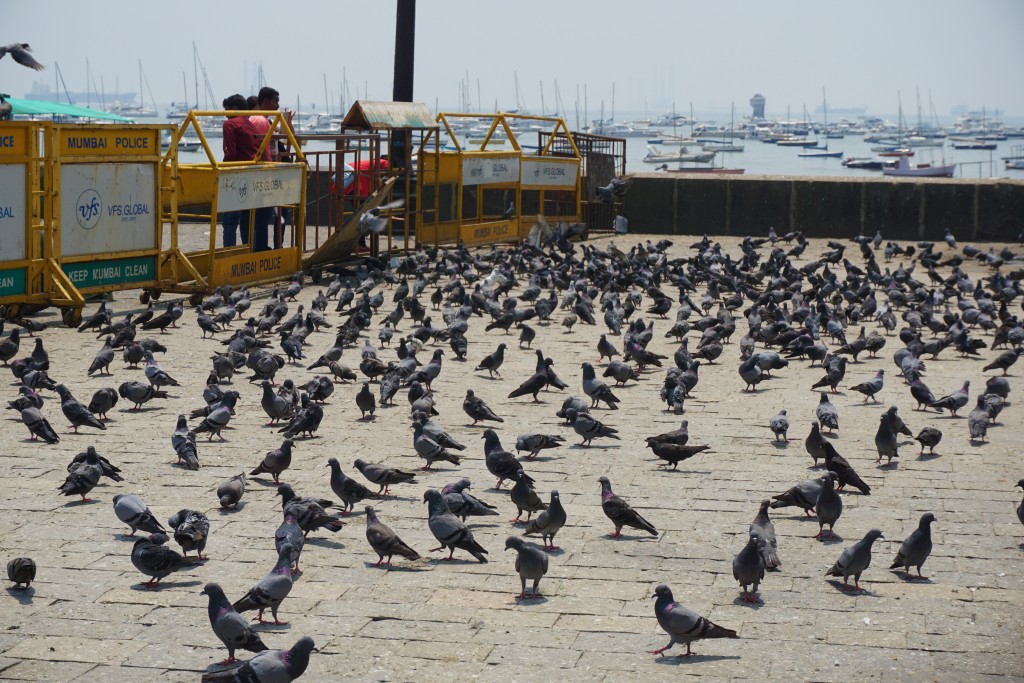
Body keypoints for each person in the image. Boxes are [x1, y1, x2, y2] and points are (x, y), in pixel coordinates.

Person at [249, 87, 291, 250]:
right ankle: (262, 248)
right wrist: (269, 170)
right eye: (275, 101)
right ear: (265, 101)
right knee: (264, 214)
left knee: (266, 214)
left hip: (266, 171)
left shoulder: (262, 119)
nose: (277, 105)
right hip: (267, 172)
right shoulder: (260, 120)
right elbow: (263, 147)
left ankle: (264, 247)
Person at [220, 94, 261, 248]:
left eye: (227, 110)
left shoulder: (230, 124)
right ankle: (250, 252)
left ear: (234, 109)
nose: (225, 113)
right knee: (248, 219)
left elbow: (229, 153)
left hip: (236, 174)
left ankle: (229, 253)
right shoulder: (250, 124)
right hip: (252, 173)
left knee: (230, 220)